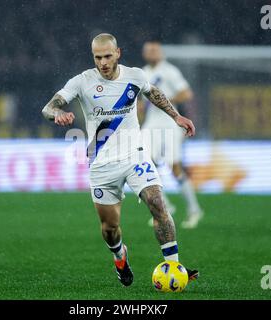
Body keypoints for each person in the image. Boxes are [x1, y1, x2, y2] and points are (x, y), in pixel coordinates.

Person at [41, 33, 198, 287]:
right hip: (102, 164)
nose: (102, 62)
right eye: (97, 57)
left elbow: (153, 93)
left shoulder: (134, 76)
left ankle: (173, 265)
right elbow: (48, 107)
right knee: (110, 229)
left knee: (158, 202)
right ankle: (120, 256)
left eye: (106, 56)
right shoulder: (82, 81)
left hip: (134, 155)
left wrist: (176, 117)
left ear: (118, 53)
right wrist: (57, 113)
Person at [140, 41, 204, 229]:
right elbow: (140, 101)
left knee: (174, 167)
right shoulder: (143, 72)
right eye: (148, 50)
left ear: (160, 53)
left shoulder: (170, 71)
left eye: (155, 50)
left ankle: (194, 210)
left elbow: (187, 93)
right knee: (144, 164)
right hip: (151, 124)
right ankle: (165, 206)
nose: (152, 53)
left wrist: (164, 101)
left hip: (169, 123)